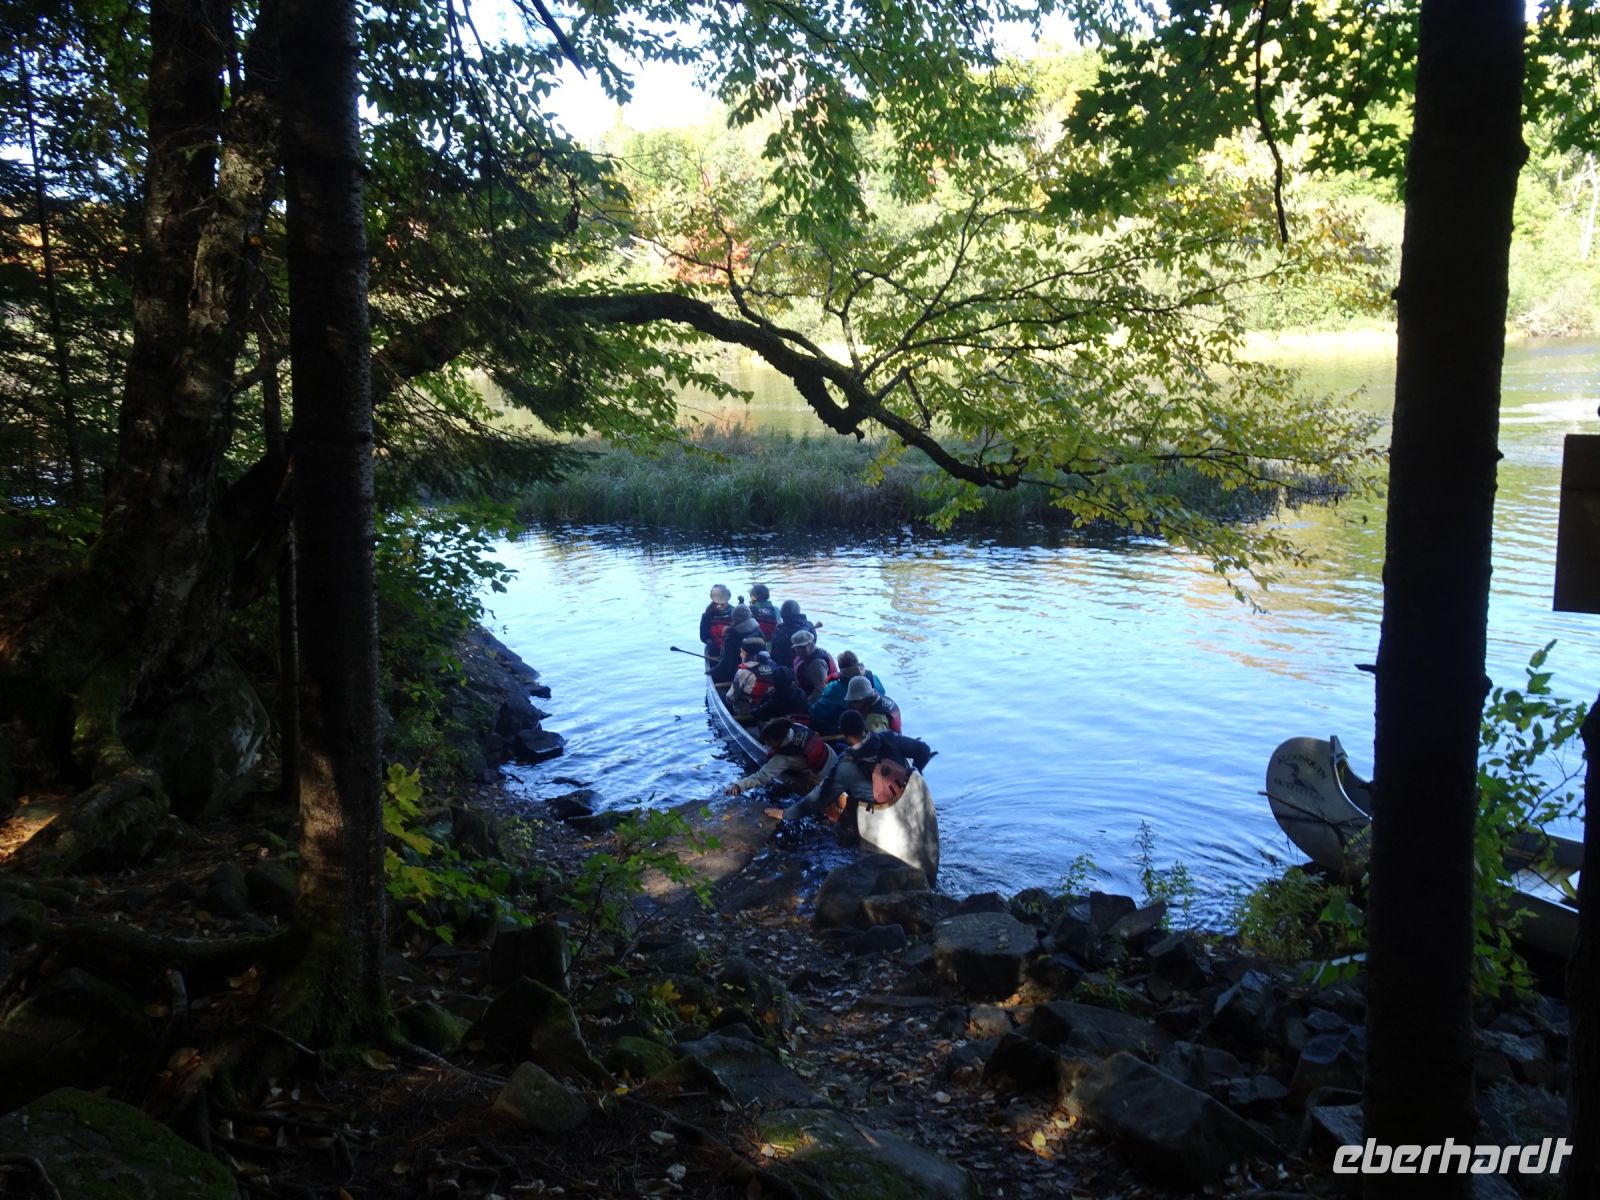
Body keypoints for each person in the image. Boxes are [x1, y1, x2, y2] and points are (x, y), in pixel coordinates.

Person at [726, 718, 835, 796]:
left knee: (785, 777)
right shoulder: (797, 728)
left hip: (824, 775)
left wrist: (739, 785)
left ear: (776, 740)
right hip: (832, 756)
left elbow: (762, 776)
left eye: (768, 742)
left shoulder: (783, 758)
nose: (767, 745)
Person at [810, 651, 886, 734]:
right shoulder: (874, 678)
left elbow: (816, 712)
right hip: (875, 719)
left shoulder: (834, 688)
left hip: (855, 726)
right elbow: (882, 692)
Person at [711, 604, 763, 684]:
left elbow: (726, 662)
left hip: (737, 673)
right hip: (757, 671)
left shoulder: (731, 634)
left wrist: (713, 671)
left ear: (733, 617)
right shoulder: (758, 630)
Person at [788, 628, 838, 702]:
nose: (799, 650)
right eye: (797, 647)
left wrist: (807, 704)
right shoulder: (804, 656)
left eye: (803, 647)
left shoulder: (816, 664)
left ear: (811, 644)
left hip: (814, 699)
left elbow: (820, 689)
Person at [726, 640, 771, 713]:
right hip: (765, 708)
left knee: (723, 697)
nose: (740, 655)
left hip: (746, 711)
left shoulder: (743, 671)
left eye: (742, 652)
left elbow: (731, 698)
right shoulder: (768, 667)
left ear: (746, 653)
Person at [769, 599, 815, 670]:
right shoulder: (809, 625)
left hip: (785, 669)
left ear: (782, 615)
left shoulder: (780, 631)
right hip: (808, 665)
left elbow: (775, 656)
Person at [700, 585, 734, 658]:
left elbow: (704, 638)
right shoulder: (734, 612)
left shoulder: (707, 615)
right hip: (724, 652)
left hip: (723, 652)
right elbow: (704, 637)